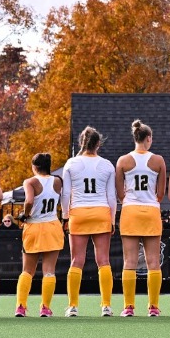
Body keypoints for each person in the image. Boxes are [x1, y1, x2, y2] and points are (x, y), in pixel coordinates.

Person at [60, 126, 117, 318]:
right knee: (104, 261)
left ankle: (73, 306)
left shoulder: (71, 164)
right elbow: (111, 196)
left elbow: (66, 193)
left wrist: (65, 216)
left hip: (79, 213)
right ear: (98, 144)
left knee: (77, 261)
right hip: (101, 212)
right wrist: (113, 219)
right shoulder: (107, 165)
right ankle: (106, 306)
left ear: (81, 142)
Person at [115, 119, 166, 317]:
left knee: (130, 261)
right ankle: (153, 306)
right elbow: (160, 193)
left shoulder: (123, 161)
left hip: (130, 212)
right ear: (148, 138)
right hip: (151, 211)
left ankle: (128, 307)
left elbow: (120, 192)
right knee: (153, 262)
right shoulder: (158, 160)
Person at [16, 153, 65, 317]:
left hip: (34, 226)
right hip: (52, 225)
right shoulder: (57, 181)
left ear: (34, 167)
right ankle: (45, 307)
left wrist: (24, 214)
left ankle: (21, 307)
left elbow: (29, 201)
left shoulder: (30, 182)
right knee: (49, 271)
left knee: (27, 271)